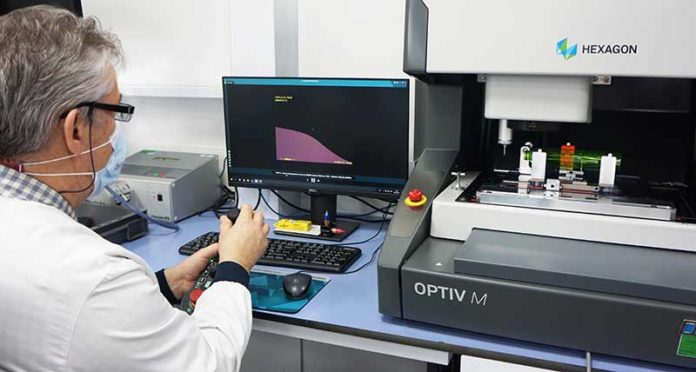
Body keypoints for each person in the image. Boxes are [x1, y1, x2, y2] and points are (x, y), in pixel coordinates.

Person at [0, 5, 269, 371]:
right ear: (76, 130)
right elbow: (209, 363)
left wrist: (162, 285)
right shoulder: (94, 277)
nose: (116, 133)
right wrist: (236, 266)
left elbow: (79, 330)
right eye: (115, 112)